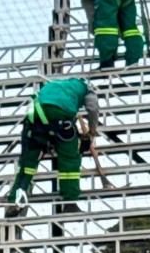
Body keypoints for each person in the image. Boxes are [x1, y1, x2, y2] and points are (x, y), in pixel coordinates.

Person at [6, 75, 99, 213]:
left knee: (28, 163)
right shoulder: (86, 88)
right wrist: (91, 132)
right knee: (70, 159)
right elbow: (93, 108)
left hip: (34, 120)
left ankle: (14, 200)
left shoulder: (53, 85)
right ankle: (70, 202)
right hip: (60, 119)